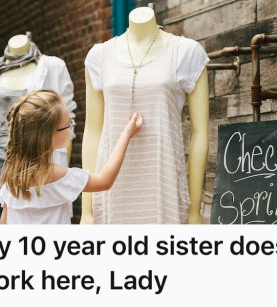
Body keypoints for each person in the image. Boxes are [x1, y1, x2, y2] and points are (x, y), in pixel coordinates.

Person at [81, 6, 209, 224]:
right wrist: (87, 211)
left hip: (163, 184)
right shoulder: (99, 56)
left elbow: (201, 133)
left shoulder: (187, 52)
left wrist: (194, 211)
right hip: (111, 189)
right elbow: (93, 131)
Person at [0, 34, 76, 224]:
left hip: (37, 166)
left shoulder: (53, 67)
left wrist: (59, 172)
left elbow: (66, 124)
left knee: (36, 235)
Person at [0, 90, 143, 224]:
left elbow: (4, 224)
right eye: (67, 124)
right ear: (48, 137)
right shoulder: (57, 174)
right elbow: (105, 180)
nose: (72, 127)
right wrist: (126, 134)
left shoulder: (12, 179)